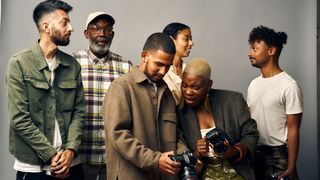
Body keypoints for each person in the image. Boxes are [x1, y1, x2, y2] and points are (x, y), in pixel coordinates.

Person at [6, 0, 85, 179]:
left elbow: (78, 113)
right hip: (33, 166)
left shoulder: (73, 65)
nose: (71, 28)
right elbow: (20, 119)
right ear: (46, 26)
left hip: (71, 164)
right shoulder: (18, 63)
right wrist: (51, 155)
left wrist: (71, 150)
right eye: (65, 22)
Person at [103, 32, 188, 180]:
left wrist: (187, 158)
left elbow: (176, 134)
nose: (163, 71)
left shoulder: (167, 92)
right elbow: (118, 134)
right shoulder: (122, 86)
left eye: (168, 66)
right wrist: (155, 160)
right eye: (159, 64)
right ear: (144, 56)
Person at [72, 11, 132, 180]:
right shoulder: (72, 63)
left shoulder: (126, 67)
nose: (102, 34)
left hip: (114, 158)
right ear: (86, 33)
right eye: (96, 28)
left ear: (112, 34)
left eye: (107, 29)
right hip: (79, 156)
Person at [177, 58, 259, 180]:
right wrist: (197, 153)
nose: (188, 92)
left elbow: (251, 134)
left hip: (237, 171)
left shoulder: (233, 101)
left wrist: (234, 151)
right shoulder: (179, 113)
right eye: (184, 86)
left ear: (209, 85)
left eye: (195, 87)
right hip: (203, 174)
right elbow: (179, 151)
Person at [247, 25, 303, 180]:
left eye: (254, 48)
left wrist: (291, 167)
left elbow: (293, 129)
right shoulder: (253, 84)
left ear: (271, 51)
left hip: (278, 155)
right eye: (250, 48)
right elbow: (249, 120)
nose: (249, 53)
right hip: (255, 151)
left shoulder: (289, 85)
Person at [162, 22, 194, 106]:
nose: (191, 43)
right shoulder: (161, 72)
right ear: (171, 40)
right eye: (186, 39)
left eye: (191, 39)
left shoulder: (190, 70)